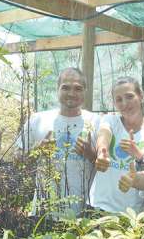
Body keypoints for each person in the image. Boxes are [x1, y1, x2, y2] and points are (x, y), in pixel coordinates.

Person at [16, 67, 99, 217]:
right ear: (57, 89)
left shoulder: (96, 121)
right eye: (65, 87)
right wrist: (37, 150)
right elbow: (17, 161)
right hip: (43, 212)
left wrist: (91, 154)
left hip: (83, 214)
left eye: (78, 88)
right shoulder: (37, 119)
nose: (72, 93)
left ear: (85, 91)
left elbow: (107, 167)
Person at [89, 77, 144, 213]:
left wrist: (139, 156)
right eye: (119, 100)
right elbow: (104, 133)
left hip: (132, 212)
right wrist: (102, 152)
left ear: (141, 96)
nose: (124, 103)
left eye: (129, 96)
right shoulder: (111, 120)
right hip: (100, 206)